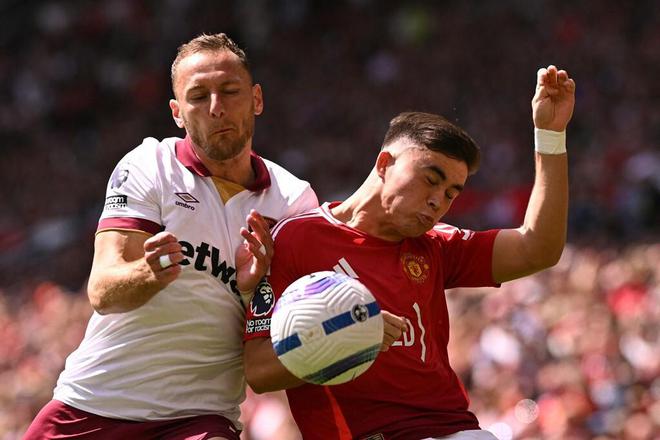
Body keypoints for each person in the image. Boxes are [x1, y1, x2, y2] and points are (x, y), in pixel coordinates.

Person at [243, 65, 575, 440]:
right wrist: (343, 335)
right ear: (385, 164)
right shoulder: (296, 239)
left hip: (458, 430)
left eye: (450, 194)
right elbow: (258, 371)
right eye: (430, 180)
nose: (437, 202)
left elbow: (537, 249)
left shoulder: (435, 244)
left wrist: (550, 135)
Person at [24, 33, 318, 440]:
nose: (216, 107)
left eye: (230, 91)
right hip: (95, 403)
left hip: (198, 417)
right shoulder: (150, 165)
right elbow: (103, 291)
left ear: (256, 99)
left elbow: (280, 337)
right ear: (177, 112)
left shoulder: (293, 201)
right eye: (198, 96)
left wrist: (253, 292)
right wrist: (149, 273)